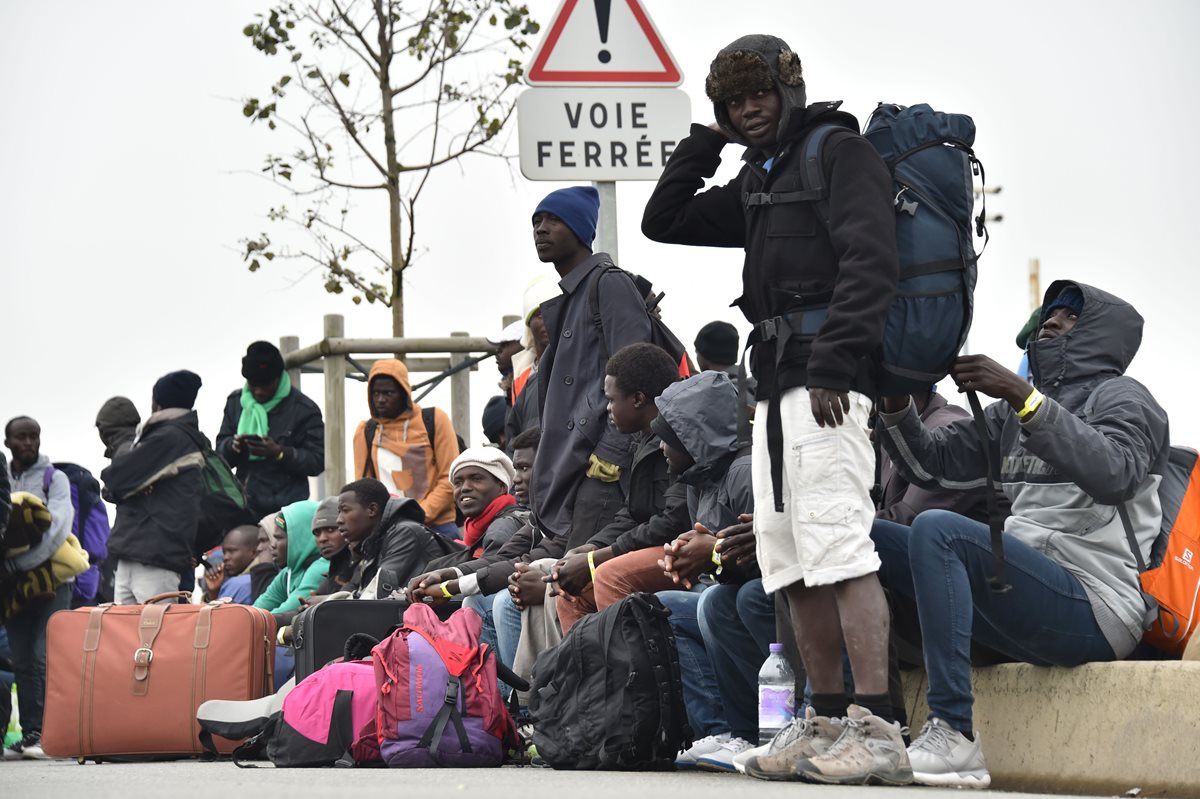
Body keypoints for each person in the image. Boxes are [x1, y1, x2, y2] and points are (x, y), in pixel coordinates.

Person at [642, 34, 908, 785]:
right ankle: (825, 719)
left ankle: (879, 729)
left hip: (829, 384)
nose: (748, 110)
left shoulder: (839, 154)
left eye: (758, 94)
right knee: (789, 561)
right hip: (776, 387)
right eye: (733, 102)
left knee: (841, 551)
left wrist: (835, 361)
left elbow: (871, 262)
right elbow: (665, 218)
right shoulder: (760, 175)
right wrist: (707, 139)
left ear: (788, 89)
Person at [872, 282, 1169, 788]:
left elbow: (1116, 473)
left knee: (938, 530)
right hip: (1025, 594)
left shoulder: (1124, 396)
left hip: (1096, 603)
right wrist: (896, 392)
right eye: (1051, 313)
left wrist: (1022, 395)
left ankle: (954, 732)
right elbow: (931, 463)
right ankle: (864, 723)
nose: (1052, 320)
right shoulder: (1012, 415)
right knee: (860, 536)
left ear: (1102, 333)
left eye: (1070, 316)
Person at [531, 185, 653, 548]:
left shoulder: (608, 283)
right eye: (537, 221)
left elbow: (637, 372)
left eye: (554, 220)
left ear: (580, 228)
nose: (541, 229)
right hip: (574, 462)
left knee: (581, 575)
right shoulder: (572, 296)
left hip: (601, 466)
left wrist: (611, 455)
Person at [550, 343, 684, 632]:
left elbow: (674, 520)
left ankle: (629, 660)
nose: (608, 409)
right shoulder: (643, 440)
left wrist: (599, 558)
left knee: (609, 575)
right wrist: (593, 546)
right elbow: (632, 513)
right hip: (651, 546)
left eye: (611, 400)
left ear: (637, 399)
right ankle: (586, 662)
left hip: (681, 549)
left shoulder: (678, 440)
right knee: (571, 592)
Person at [102, 370, 209, 605]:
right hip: (138, 554)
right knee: (127, 628)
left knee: (155, 628)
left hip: (156, 557)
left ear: (157, 402)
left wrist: (128, 487)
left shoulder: (172, 436)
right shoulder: (172, 435)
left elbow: (115, 478)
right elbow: (116, 484)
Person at [3, 417, 74, 759]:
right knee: (21, 658)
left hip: (53, 581)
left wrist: (18, 564)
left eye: (34, 436)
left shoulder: (54, 478)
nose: (29, 442)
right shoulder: (4, 478)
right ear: (8, 442)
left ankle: (51, 733)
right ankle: (33, 733)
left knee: (44, 655)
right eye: (21, 437)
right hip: (14, 586)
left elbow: (58, 528)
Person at [408, 447, 527, 650]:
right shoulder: (485, 527)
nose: (464, 488)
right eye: (458, 482)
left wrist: (443, 590)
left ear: (501, 486)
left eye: (476, 479)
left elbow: (489, 581)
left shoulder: (502, 527)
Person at [352, 359, 461, 540]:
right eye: (375, 393)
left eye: (388, 393)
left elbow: (451, 477)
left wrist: (417, 514)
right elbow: (364, 489)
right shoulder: (366, 431)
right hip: (389, 532)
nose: (380, 399)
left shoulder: (434, 419)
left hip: (438, 528)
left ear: (404, 392)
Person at [217, 342, 325, 519]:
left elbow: (317, 461)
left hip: (286, 512)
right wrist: (232, 446)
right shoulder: (235, 403)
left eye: (266, 384)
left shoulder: (304, 410)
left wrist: (279, 453)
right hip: (243, 506)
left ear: (278, 378)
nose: (259, 391)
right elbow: (220, 456)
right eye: (253, 384)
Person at [337, 478, 445, 599]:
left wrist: (329, 600)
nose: (338, 520)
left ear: (372, 510)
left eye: (345, 510)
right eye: (339, 512)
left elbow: (375, 595)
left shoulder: (405, 533)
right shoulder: (373, 543)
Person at [505, 276, 559, 449]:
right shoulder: (522, 375)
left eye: (553, 313)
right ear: (529, 323)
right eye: (539, 315)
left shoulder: (575, 364)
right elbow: (513, 433)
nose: (546, 321)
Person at [202, 524, 278, 604]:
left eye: (231, 551)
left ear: (254, 552)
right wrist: (213, 593)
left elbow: (216, 611)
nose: (225, 558)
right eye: (224, 552)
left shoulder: (238, 584)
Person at [488, 319, 525, 401]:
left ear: (525, 343)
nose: (498, 350)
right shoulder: (497, 404)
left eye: (505, 344)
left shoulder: (536, 384)